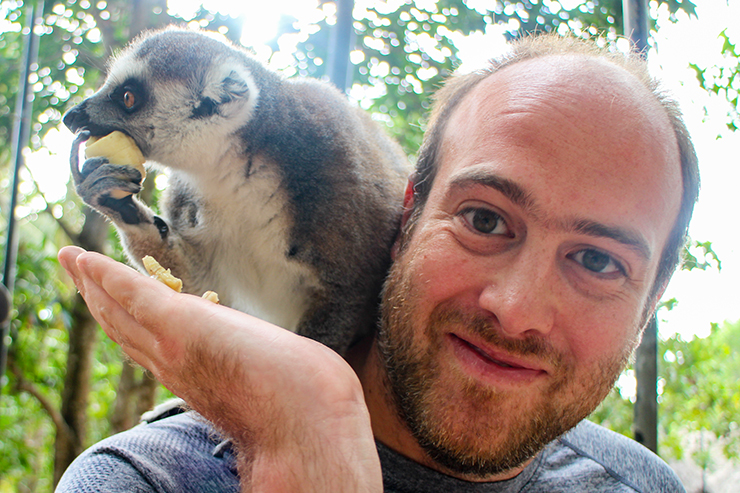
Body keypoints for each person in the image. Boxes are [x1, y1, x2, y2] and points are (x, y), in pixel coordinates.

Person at [56, 34, 697, 492]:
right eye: (483, 219)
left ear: (652, 300)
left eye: (596, 260)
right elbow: (191, 279)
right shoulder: (146, 480)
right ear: (407, 217)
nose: (517, 308)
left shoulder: (636, 483)